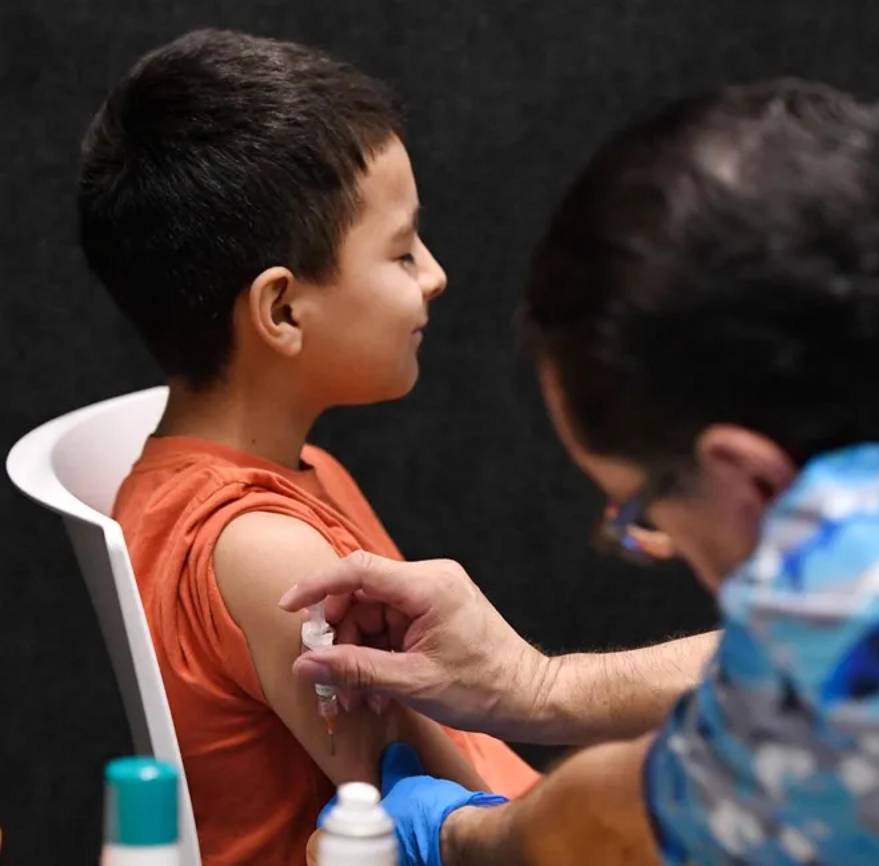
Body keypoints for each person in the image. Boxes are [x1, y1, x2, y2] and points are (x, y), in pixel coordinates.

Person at [282, 79, 879, 864]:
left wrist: (459, 837)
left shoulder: (846, 626)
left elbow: (623, 819)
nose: (648, 536)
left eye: (639, 508)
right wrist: (540, 686)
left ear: (747, 476)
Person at [76, 29, 539, 866]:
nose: (433, 276)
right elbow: (455, 821)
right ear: (282, 311)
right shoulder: (272, 553)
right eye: (401, 251)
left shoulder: (286, 477)